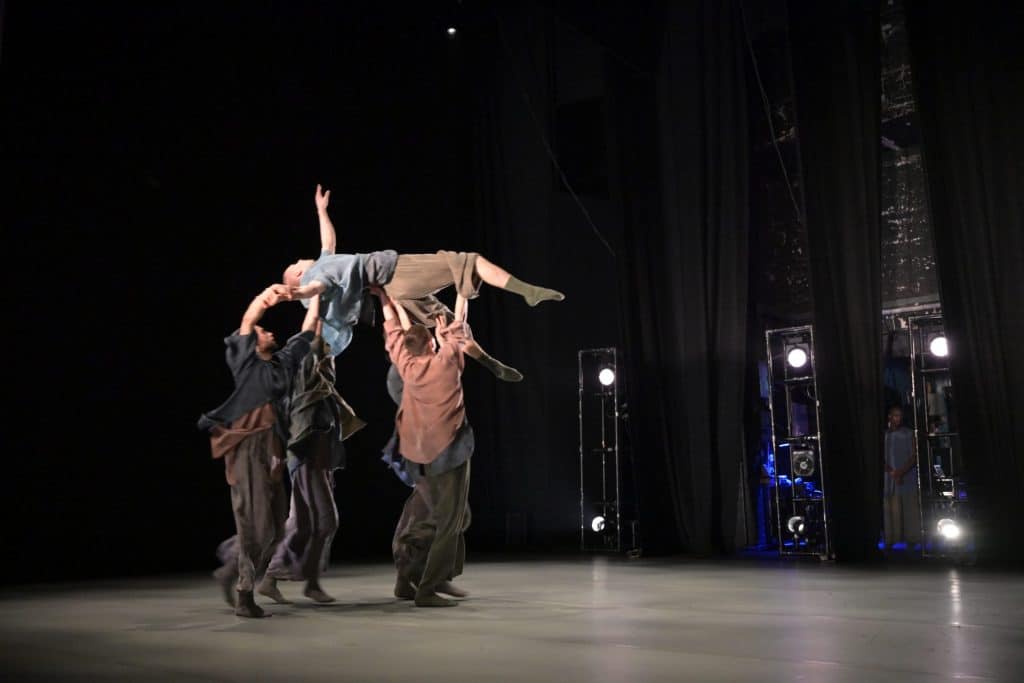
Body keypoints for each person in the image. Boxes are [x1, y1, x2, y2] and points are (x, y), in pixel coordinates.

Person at [281, 184, 563, 381]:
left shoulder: (324, 264)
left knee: (448, 324)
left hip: (392, 290)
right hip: (395, 272)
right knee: (469, 261)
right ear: (297, 275)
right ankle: (528, 291)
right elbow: (314, 289)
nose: (298, 260)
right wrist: (295, 293)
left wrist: (321, 211)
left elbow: (328, 243)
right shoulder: (315, 278)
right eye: (294, 265)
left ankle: (491, 364)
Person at [199, 287, 319, 617]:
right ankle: (244, 592)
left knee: (277, 528)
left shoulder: (282, 365)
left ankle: (232, 570)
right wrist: (267, 297)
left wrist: (317, 294)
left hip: (274, 447)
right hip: (248, 448)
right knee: (256, 524)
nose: (269, 332)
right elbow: (249, 320)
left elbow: (308, 331)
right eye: (263, 332)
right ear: (252, 344)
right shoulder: (245, 363)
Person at [377, 287, 474, 607]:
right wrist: (463, 289)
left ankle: (417, 576)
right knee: (449, 520)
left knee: (443, 515)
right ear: (431, 344)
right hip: (448, 453)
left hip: (417, 455)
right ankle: (427, 585)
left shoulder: (406, 366)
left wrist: (386, 298)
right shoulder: (444, 365)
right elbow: (459, 323)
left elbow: (396, 332)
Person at [259, 321, 366, 604]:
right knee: (326, 520)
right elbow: (314, 335)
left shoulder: (319, 385)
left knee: (302, 522)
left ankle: (277, 579)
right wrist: (319, 303)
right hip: (306, 454)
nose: (329, 359)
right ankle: (302, 580)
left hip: (318, 455)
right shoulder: (302, 377)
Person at [883, 406, 920, 549]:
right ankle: (891, 538)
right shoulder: (885, 435)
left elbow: (914, 456)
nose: (897, 418)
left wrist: (900, 472)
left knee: (909, 506)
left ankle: (912, 538)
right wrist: (892, 472)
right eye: (895, 415)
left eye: (899, 416)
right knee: (891, 508)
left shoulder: (908, 434)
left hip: (906, 476)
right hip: (889, 478)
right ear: (889, 417)